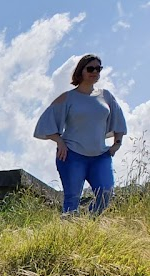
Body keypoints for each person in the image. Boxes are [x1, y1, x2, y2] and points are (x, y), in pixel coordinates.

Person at [34, 54, 128, 214]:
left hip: (100, 156)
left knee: (106, 194)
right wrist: (60, 141)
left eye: (98, 69)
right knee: (72, 198)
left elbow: (119, 120)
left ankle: (88, 225)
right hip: (72, 155)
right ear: (81, 71)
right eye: (90, 68)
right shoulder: (68, 97)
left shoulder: (106, 96)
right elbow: (46, 123)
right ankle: (70, 233)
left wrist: (116, 144)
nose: (94, 72)